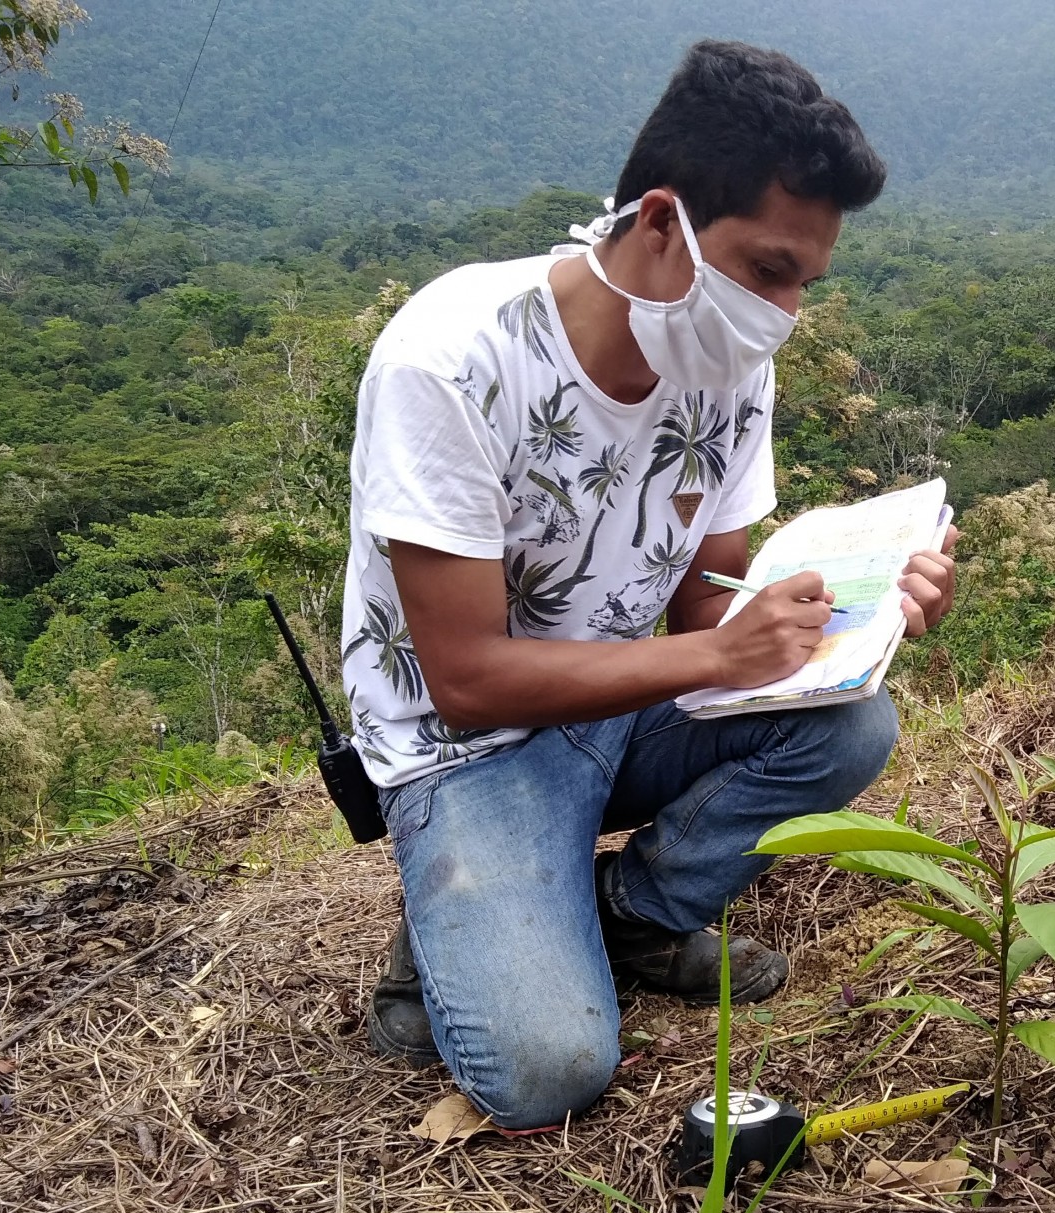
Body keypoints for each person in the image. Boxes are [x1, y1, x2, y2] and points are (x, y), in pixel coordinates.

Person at [341, 40, 958, 1129]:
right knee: (546, 1070)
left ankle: (627, 910)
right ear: (663, 221)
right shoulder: (451, 359)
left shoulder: (729, 368)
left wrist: (859, 614)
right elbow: (465, 682)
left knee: (851, 725)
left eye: (804, 284)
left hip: (629, 704)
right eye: (767, 271)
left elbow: (712, 604)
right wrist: (718, 653)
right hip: (471, 748)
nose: (785, 313)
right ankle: (461, 912)